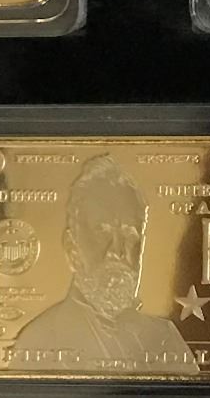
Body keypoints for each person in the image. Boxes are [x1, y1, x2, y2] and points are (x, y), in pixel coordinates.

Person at [13, 157, 198, 372]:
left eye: (130, 234)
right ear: (72, 247)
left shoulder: (166, 337)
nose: (117, 250)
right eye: (102, 232)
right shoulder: (38, 339)